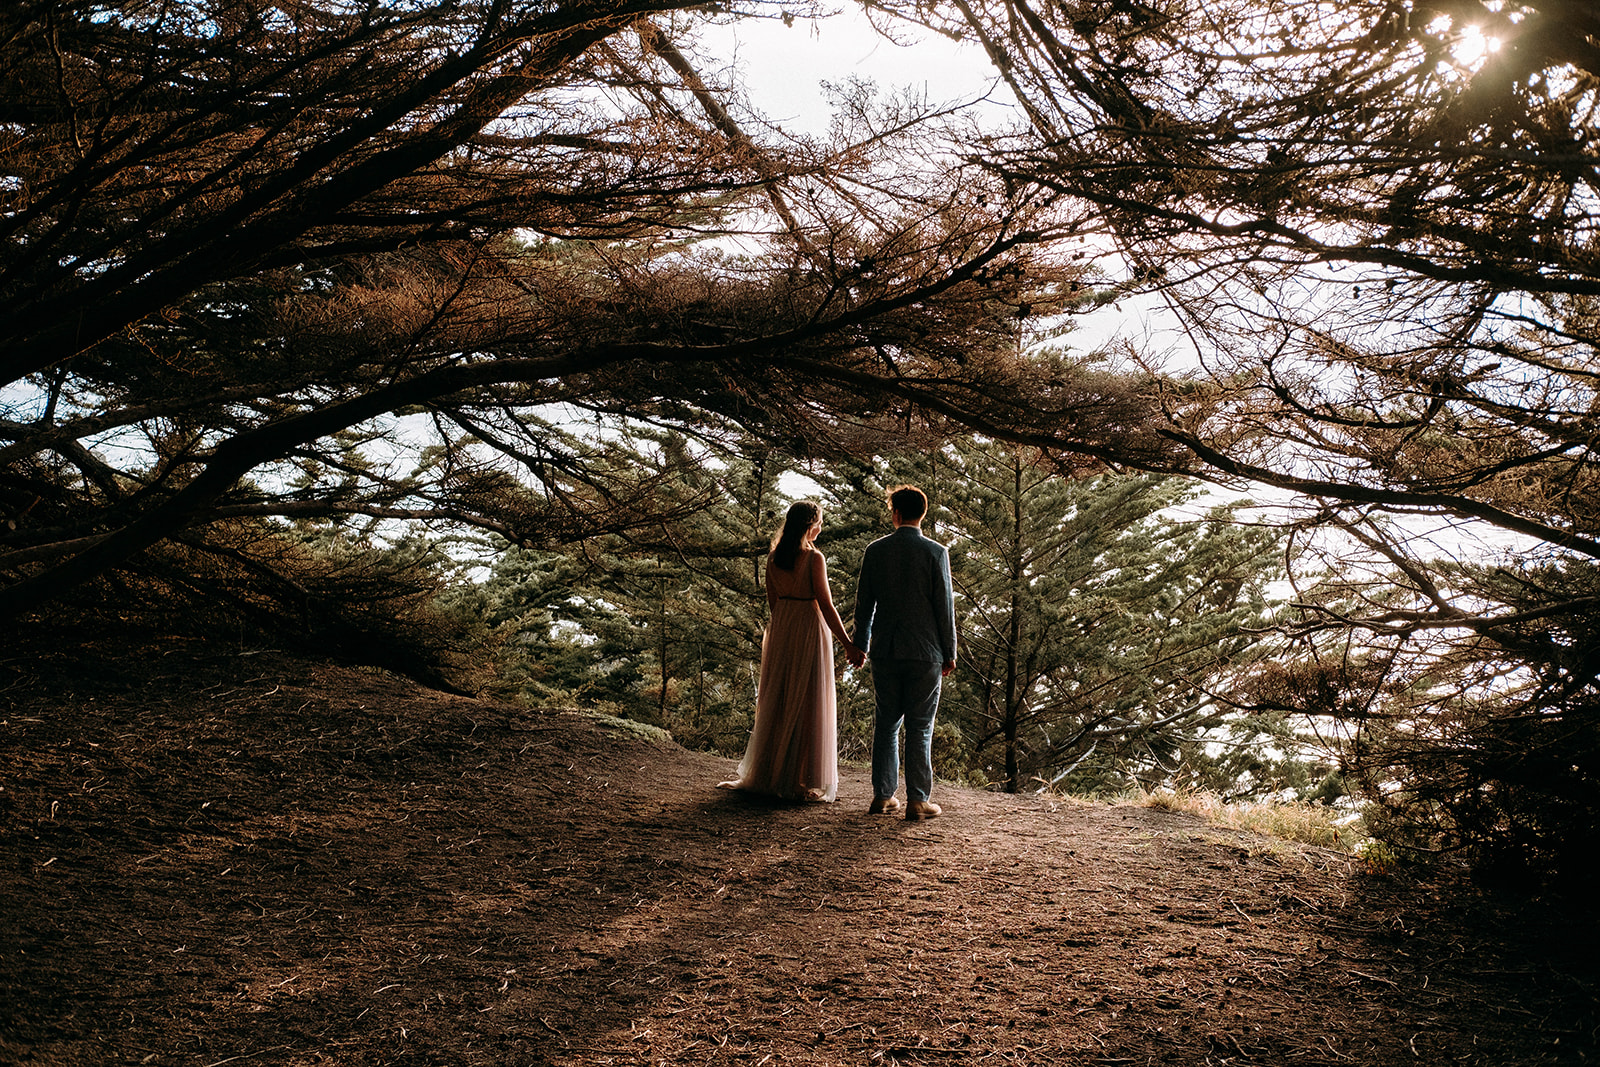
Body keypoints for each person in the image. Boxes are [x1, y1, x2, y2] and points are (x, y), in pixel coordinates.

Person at [720, 501, 863, 802]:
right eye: (819, 523)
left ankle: (772, 771)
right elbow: (826, 605)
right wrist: (847, 643)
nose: (821, 529)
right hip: (809, 629)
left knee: (780, 698)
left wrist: (785, 626)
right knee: (808, 700)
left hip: (782, 629)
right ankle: (798, 779)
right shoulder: (814, 558)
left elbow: (774, 603)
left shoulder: (773, 558)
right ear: (810, 525)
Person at [851, 484, 957, 821]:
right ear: (921, 513)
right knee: (920, 726)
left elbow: (863, 606)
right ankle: (917, 801)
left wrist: (860, 645)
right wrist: (950, 651)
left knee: (886, 724)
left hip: (885, 650)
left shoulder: (876, 550)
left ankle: (883, 796)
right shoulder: (936, 553)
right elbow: (945, 608)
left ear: (895, 513)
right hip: (926, 651)